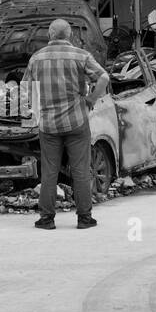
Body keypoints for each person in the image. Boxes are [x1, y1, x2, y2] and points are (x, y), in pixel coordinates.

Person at [21, 19, 109, 231]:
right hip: (77, 122)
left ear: (50, 34)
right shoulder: (81, 55)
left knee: (49, 171)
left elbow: (25, 89)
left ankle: (47, 219)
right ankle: (84, 218)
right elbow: (104, 78)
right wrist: (91, 100)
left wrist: (34, 112)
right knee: (80, 170)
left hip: (49, 125)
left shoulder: (37, 58)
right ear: (69, 35)